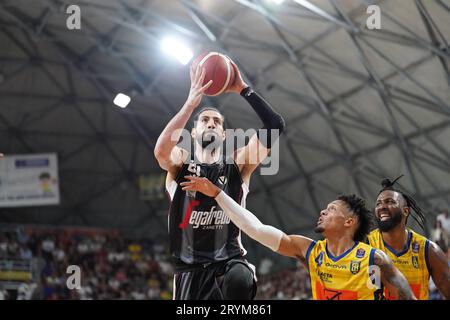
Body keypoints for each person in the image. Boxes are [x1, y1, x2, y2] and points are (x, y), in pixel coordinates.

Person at [154, 59, 285, 300]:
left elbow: (274, 125)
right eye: (205, 120)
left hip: (229, 263)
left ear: (223, 134)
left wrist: (244, 89)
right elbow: (161, 152)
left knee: (239, 279)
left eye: (217, 122)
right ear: (193, 132)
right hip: (189, 272)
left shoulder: (238, 164)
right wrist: (190, 105)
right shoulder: (181, 164)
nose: (211, 123)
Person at [180, 176, 416, 300]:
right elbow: (255, 228)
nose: (323, 211)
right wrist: (219, 194)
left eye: (332, 209)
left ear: (349, 222)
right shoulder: (308, 250)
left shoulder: (374, 259)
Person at [368, 176, 450, 299]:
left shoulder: (428, 250)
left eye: (390, 202)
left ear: (405, 211)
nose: (382, 207)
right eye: (378, 203)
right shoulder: (365, 245)